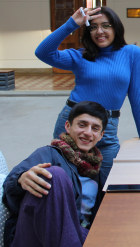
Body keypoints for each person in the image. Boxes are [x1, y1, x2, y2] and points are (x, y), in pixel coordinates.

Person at [35, 7, 140, 183]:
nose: (99, 31)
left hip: (107, 129)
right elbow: (42, 52)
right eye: (93, 27)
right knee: (65, 179)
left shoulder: (132, 53)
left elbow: (136, 94)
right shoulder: (80, 56)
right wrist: (72, 24)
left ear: (116, 28)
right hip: (74, 125)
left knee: (108, 181)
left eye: (106, 25)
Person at [2, 101, 109, 247]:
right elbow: (9, 189)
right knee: (55, 174)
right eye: (82, 125)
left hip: (78, 235)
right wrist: (20, 179)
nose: (88, 132)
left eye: (95, 128)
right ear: (67, 126)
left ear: (101, 135)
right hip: (33, 235)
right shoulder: (49, 154)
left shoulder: (98, 172)